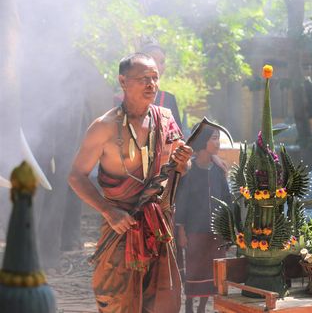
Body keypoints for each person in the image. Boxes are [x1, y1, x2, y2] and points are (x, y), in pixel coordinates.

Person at [68, 53, 192, 312]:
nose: (151, 84)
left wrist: (183, 162)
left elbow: (182, 165)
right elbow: (76, 176)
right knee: (116, 300)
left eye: (155, 78)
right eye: (143, 79)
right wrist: (108, 211)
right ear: (123, 81)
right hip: (121, 227)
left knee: (161, 301)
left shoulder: (165, 119)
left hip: (158, 227)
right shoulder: (104, 127)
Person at [175, 125, 231, 313]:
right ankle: (190, 306)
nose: (218, 143)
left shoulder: (218, 170)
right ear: (203, 141)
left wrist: (228, 230)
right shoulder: (188, 170)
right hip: (194, 231)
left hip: (215, 232)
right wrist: (181, 229)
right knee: (194, 269)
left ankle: (201, 307)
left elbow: (226, 200)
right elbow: (181, 201)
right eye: (214, 138)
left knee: (213, 271)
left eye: (219, 138)